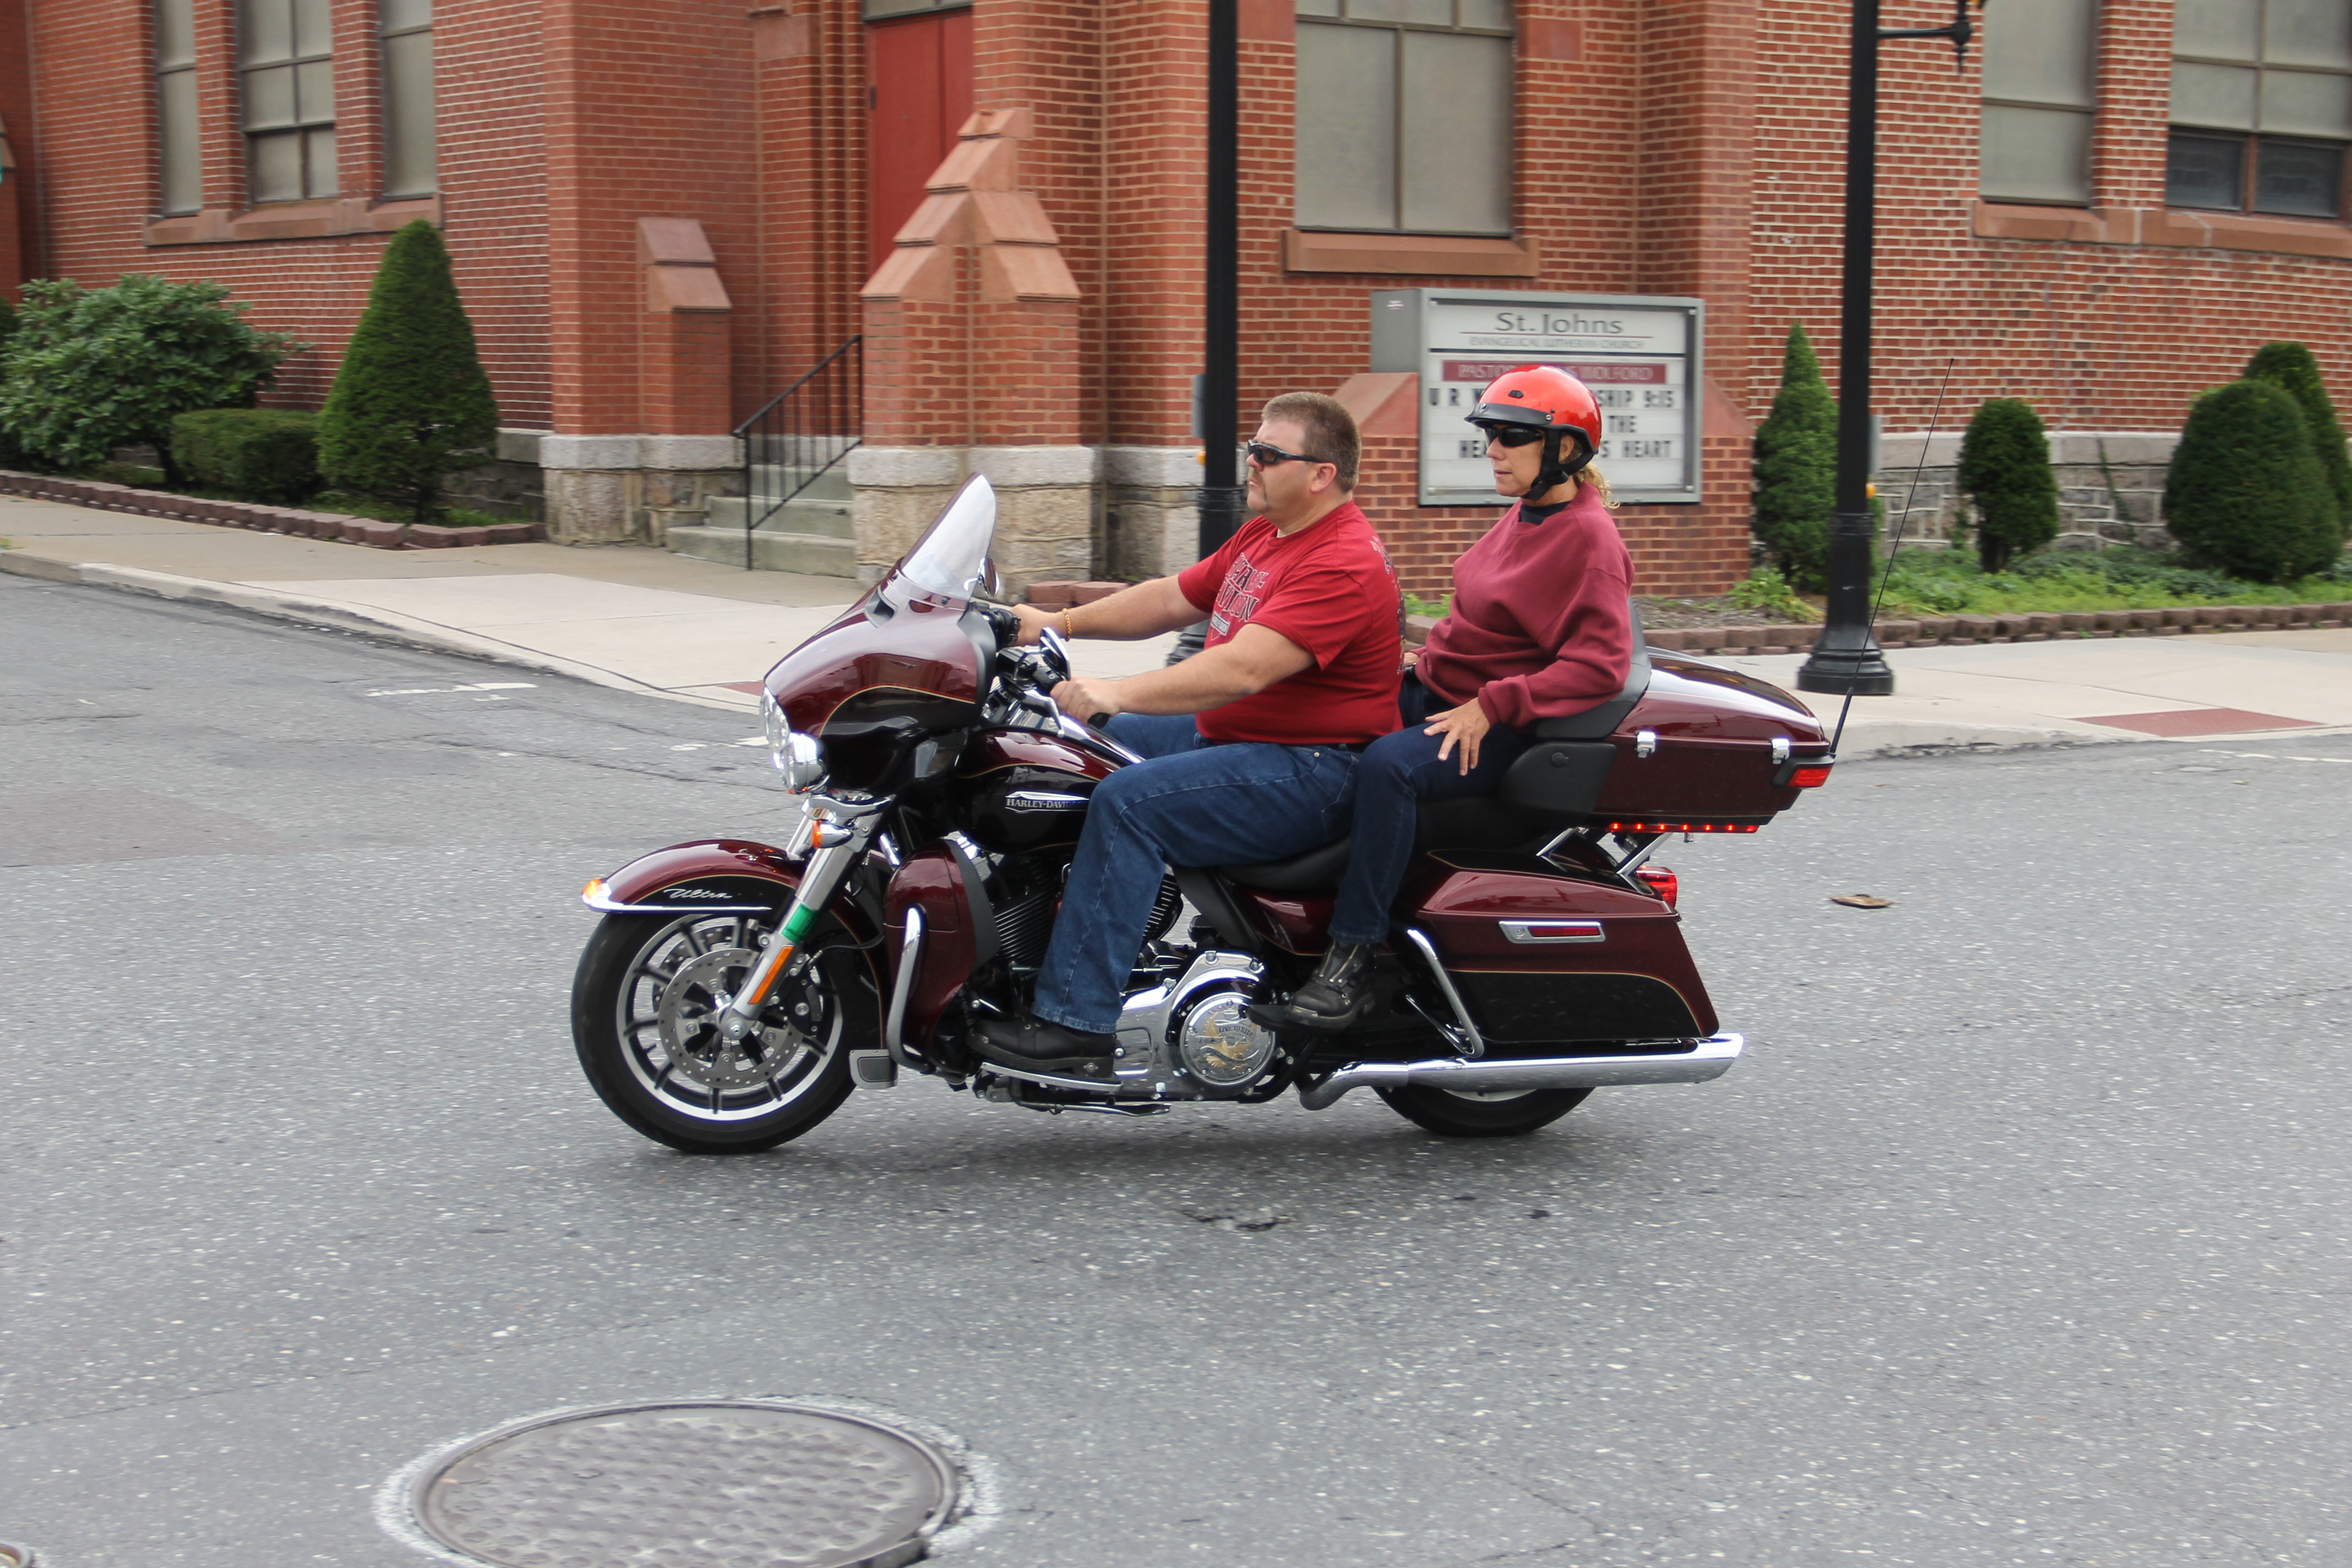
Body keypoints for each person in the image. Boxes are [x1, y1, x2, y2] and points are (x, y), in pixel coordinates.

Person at [973, 391, 1403, 1074]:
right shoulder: (1269, 534)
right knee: (1068, 750)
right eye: (1253, 449)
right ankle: (1034, 937)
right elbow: (1173, 596)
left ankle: (1076, 1021)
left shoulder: (1341, 560)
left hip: (1313, 768)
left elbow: (1243, 669)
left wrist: (1115, 690)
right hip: (1242, 738)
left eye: (1268, 454)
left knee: (1128, 805)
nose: (1251, 462)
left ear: (1322, 474)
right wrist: (1055, 623)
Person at [1262, 364, 1635, 1033]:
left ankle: (1351, 958)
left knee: (1389, 768)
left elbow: (1600, 667)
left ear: (1566, 448)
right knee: (1320, 709)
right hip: (1443, 692)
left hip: (1499, 728)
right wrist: (1423, 656)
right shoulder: (1530, 512)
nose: (1493, 450)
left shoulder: (1589, 538)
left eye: (1513, 437)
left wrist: (1494, 704)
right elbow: (1489, 624)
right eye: (1490, 434)